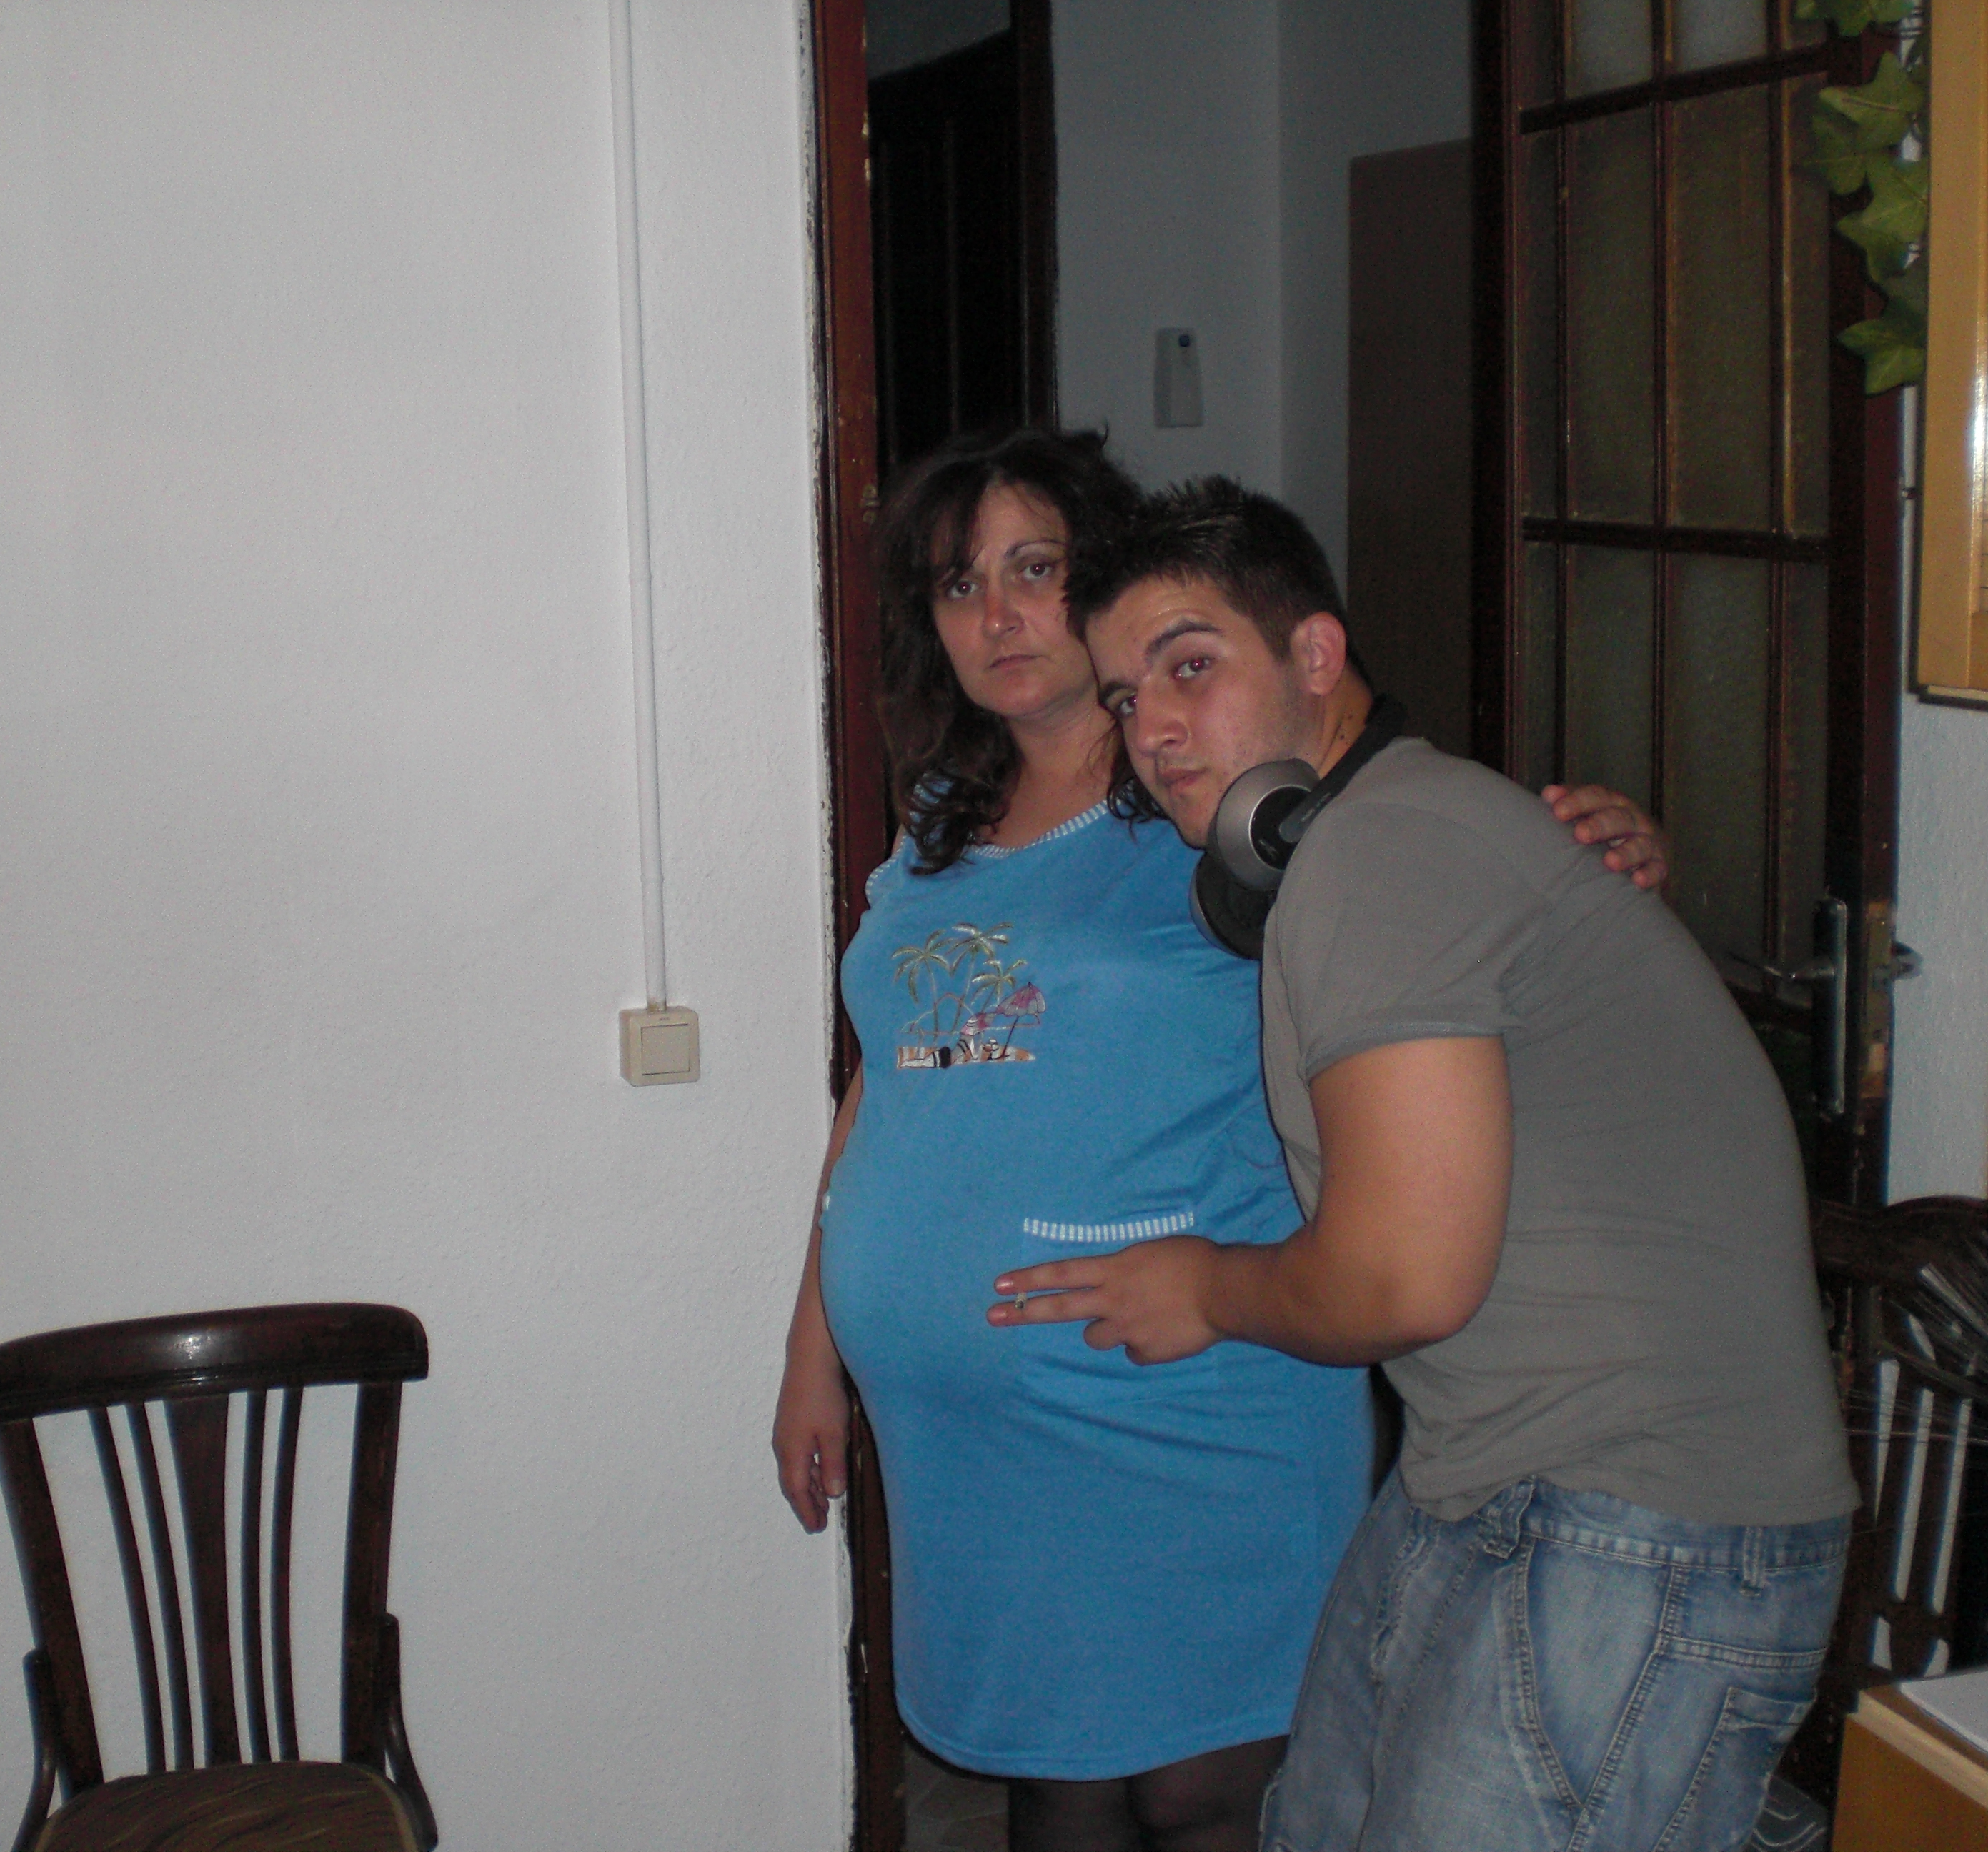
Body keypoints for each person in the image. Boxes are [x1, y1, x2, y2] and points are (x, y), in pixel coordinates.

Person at [772, 429, 1671, 1852]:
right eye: (958, 585)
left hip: (1184, 1397)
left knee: (1207, 1792)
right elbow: (886, 1086)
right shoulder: (939, 826)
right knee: (1058, 1777)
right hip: (980, 1451)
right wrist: (814, 1351)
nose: (998, 615)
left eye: (1035, 570)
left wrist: (1595, 842)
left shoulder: (1227, 806)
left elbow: (1438, 885)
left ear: (1107, 583)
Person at [995, 476, 1857, 1852]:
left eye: (1190, 666)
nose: (1151, 729)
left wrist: (1205, 1288)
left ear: (1316, 654)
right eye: (1123, 696)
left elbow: (1401, 1279)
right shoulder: (1376, 838)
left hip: (1635, 1515)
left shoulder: (1382, 852)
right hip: (1488, 1473)